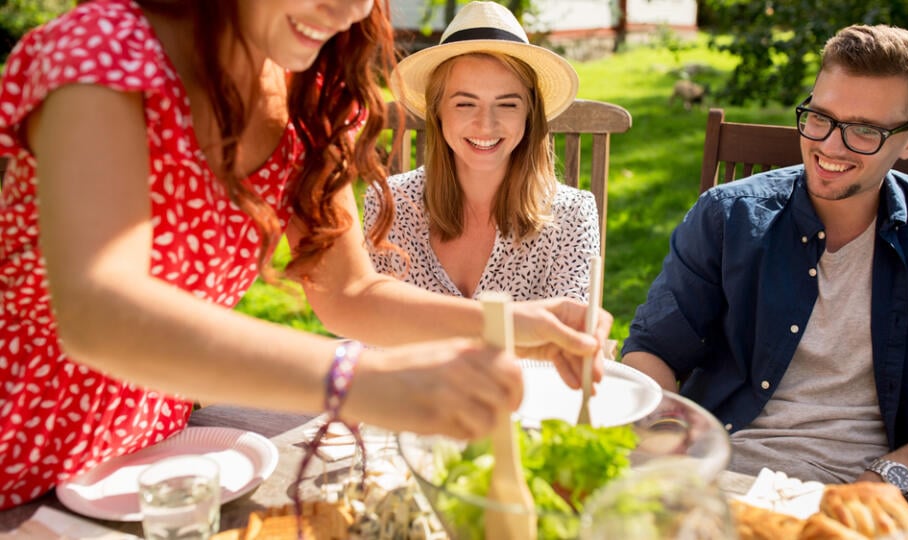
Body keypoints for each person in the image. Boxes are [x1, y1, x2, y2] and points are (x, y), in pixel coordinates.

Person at [0, 0, 611, 509]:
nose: (347, 8)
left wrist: (511, 327)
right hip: (16, 459)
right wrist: (362, 380)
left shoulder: (311, 100)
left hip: (152, 465)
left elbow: (351, 293)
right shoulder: (101, 52)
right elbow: (100, 311)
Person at [621, 24, 908, 510]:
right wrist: (676, 447)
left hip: (873, 499)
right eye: (820, 117)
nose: (831, 147)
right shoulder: (727, 216)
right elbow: (650, 351)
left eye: (865, 130)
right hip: (723, 476)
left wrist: (889, 477)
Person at [364, 1, 599, 302]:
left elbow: (569, 342)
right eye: (465, 103)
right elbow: (378, 332)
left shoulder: (572, 216)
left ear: (530, 114)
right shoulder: (388, 205)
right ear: (437, 112)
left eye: (507, 104)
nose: (485, 125)